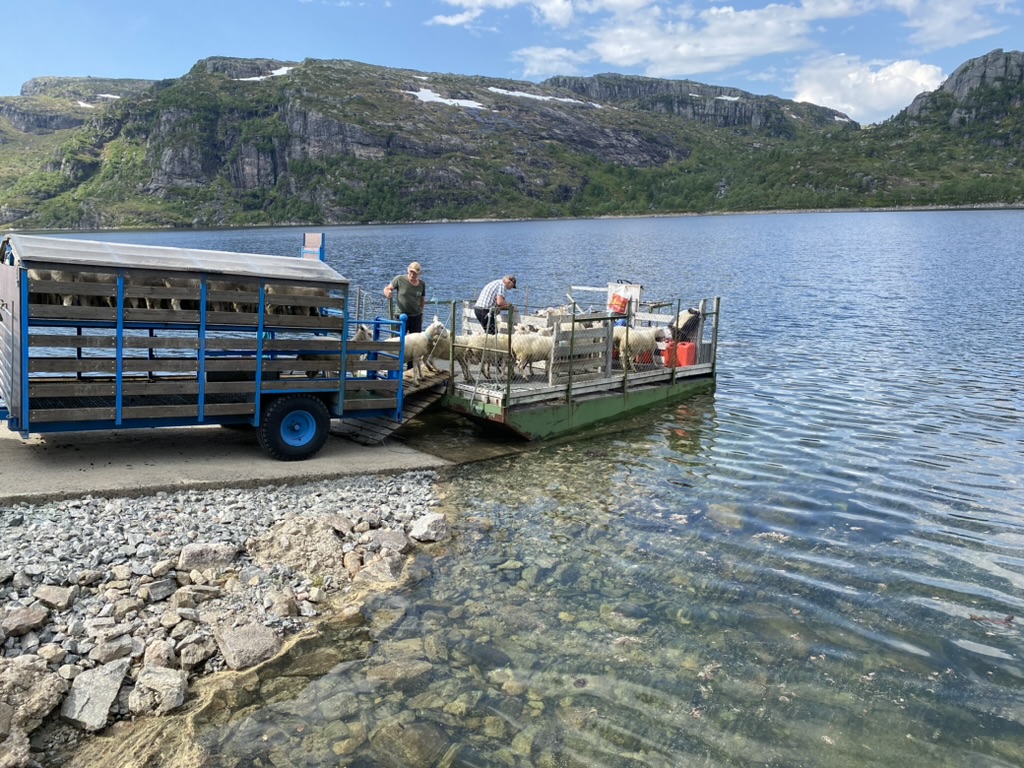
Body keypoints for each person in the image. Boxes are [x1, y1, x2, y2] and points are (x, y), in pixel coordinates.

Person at [384, 261, 426, 334]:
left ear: (419, 274)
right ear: (408, 270)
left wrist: (421, 313)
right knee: (399, 340)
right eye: (411, 272)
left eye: (415, 273)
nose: (412, 274)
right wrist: (387, 292)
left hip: (416, 317)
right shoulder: (399, 279)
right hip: (401, 316)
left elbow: (422, 299)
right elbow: (387, 288)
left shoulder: (422, 284)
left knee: (416, 342)